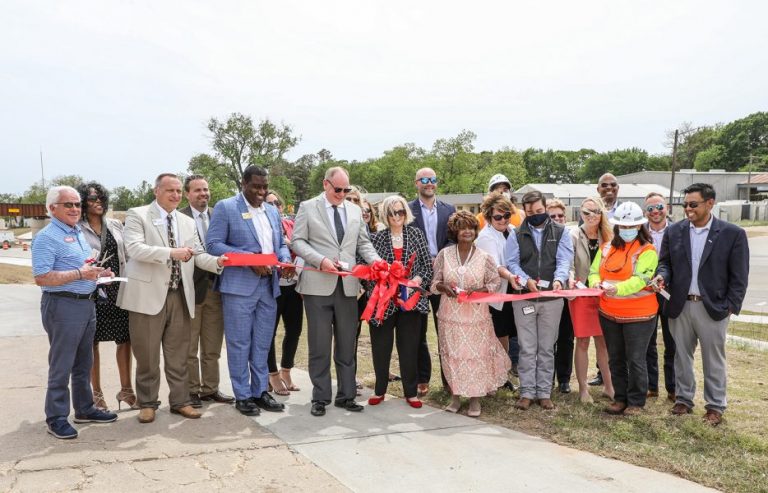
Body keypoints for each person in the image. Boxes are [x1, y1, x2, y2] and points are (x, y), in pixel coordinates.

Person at [118, 173, 226, 424]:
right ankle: (147, 403)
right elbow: (134, 248)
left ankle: (180, 401)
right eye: (171, 191)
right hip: (147, 297)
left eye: (179, 191)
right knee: (147, 356)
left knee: (178, 355)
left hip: (180, 294)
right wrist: (172, 253)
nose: (176, 195)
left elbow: (198, 254)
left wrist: (219, 262)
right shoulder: (138, 214)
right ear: (156, 191)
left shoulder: (186, 222)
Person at [655, 183, 749, 426]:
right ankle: (684, 400)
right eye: (685, 204)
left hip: (712, 308)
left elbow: (739, 276)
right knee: (681, 357)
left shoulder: (732, 234)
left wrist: (730, 306)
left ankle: (715, 406)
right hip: (680, 305)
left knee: (713, 359)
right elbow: (665, 263)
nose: (688, 209)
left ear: (710, 203)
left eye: (693, 204)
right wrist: (662, 276)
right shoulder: (674, 231)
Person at [291, 167, 381, 417]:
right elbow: (297, 241)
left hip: (348, 286)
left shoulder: (354, 211)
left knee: (346, 344)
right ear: (326, 184)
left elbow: (363, 244)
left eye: (346, 190)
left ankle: (347, 395)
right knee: (319, 345)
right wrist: (319, 260)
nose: (342, 194)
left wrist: (377, 263)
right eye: (338, 189)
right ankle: (320, 397)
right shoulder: (308, 207)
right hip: (317, 285)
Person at [206, 167, 293, 417]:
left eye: (265, 187)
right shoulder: (226, 207)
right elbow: (213, 245)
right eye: (256, 187)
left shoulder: (271, 211)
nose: (262, 192)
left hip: (269, 287)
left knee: (262, 343)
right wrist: (249, 259)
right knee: (240, 343)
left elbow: (279, 245)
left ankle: (259, 391)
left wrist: (284, 262)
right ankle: (243, 395)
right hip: (239, 288)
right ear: (243, 183)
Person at [33, 186, 117, 439]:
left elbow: (84, 266)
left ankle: (84, 408)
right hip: (62, 305)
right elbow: (42, 277)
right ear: (52, 209)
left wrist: (100, 274)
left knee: (84, 363)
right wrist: (81, 274)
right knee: (62, 365)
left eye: (77, 204)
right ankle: (56, 417)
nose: (74, 209)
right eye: (68, 204)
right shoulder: (47, 237)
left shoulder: (77, 232)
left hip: (86, 303)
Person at [431, 211, 510, 417]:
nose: (467, 231)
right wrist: (443, 286)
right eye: (463, 227)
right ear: (454, 231)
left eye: (471, 227)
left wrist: (479, 292)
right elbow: (433, 284)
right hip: (450, 316)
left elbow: (494, 283)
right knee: (453, 356)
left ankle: (475, 399)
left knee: (476, 357)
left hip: (476, 318)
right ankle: (456, 397)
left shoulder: (485, 258)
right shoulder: (444, 255)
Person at [588, 202, 658, 416]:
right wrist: (596, 284)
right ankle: (620, 398)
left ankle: (636, 402)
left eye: (632, 226)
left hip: (639, 315)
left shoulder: (648, 251)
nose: (627, 230)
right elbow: (593, 271)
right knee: (615, 357)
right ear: (617, 226)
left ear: (639, 227)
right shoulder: (606, 247)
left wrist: (616, 289)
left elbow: (639, 281)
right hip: (609, 313)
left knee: (636, 359)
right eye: (623, 226)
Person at [505, 191, 573, 410]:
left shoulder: (561, 232)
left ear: (545, 208)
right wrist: (525, 281)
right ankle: (526, 392)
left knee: (546, 347)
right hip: (524, 298)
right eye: (530, 212)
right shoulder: (516, 233)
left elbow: (564, 260)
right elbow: (512, 263)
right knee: (526, 347)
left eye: (539, 211)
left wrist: (559, 280)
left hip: (551, 299)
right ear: (524, 211)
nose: (535, 215)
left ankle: (544, 392)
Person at [365, 195, 433, 409]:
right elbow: (367, 269)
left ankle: (411, 392)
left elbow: (426, 266)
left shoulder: (416, 234)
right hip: (384, 303)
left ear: (406, 213)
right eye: (393, 212)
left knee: (409, 347)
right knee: (381, 347)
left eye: (401, 211)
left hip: (410, 301)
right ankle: (380, 390)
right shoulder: (376, 238)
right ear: (386, 215)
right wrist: (381, 280)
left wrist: (416, 280)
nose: (397, 216)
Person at [76, 182, 136, 411]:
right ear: (83, 202)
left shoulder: (114, 225)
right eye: (92, 199)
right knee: (92, 343)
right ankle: (97, 395)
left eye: (101, 198)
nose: (98, 202)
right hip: (93, 292)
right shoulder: (77, 228)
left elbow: (128, 254)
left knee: (125, 339)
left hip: (118, 289)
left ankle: (127, 390)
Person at [180, 175, 234, 407]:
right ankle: (191, 390)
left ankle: (210, 389)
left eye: (206, 189)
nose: (203, 193)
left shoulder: (218, 215)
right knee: (190, 346)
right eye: (198, 190)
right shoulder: (178, 217)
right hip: (190, 289)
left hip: (217, 288)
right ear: (187, 194)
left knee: (212, 346)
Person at [408, 167, 456, 396]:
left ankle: (449, 379)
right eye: (424, 180)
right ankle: (422, 378)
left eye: (433, 179)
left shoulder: (449, 209)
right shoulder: (406, 210)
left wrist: (440, 256)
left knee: (444, 330)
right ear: (416, 183)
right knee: (418, 331)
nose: (429, 183)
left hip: (443, 276)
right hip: (416, 276)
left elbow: (452, 239)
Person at [569, 197, 614, 403]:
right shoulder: (573, 235)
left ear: (602, 213)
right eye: (587, 212)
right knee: (583, 342)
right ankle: (583, 389)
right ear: (581, 214)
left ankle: (609, 387)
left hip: (604, 296)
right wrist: (570, 279)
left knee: (604, 342)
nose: (591, 216)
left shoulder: (610, 236)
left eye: (596, 212)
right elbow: (568, 263)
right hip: (581, 295)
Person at [475, 193, 518, 391]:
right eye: (497, 217)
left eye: (506, 215)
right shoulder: (485, 237)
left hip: (513, 290)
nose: (503, 220)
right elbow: (495, 266)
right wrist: (510, 277)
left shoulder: (513, 230)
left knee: (506, 334)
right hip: (496, 294)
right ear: (488, 218)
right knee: (497, 334)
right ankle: (496, 376)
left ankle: (502, 374)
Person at [264, 190, 304, 395]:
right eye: (268, 203)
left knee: (295, 330)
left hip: (294, 286)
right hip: (273, 286)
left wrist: (292, 245)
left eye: (277, 203)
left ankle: (286, 370)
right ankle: (271, 374)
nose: (274, 207)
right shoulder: (262, 227)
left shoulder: (291, 225)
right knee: (269, 333)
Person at [588, 173, 622, 387]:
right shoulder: (593, 210)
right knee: (600, 333)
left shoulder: (626, 211)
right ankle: (603, 373)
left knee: (616, 334)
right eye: (604, 186)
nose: (609, 189)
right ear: (597, 188)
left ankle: (617, 373)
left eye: (613, 185)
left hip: (618, 281)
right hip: (594, 276)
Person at [643, 192, 675, 402]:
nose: (655, 212)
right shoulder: (639, 232)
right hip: (645, 293)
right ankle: (650, 386)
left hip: (671, 292)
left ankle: (673, 388)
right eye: (651, 209)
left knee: (673, 342)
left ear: (668, 207)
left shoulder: (679, 231)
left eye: (659, 207)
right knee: (647, 342)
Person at [546, 199, 574, 394]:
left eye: (560, 216)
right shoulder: (542, 237)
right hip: (546, 293)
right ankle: (546, 378)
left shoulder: (572, 236)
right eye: (552, 216)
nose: (557, 219)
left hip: (567, 293)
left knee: (566, 336)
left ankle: (564, 379)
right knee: (548, 339)